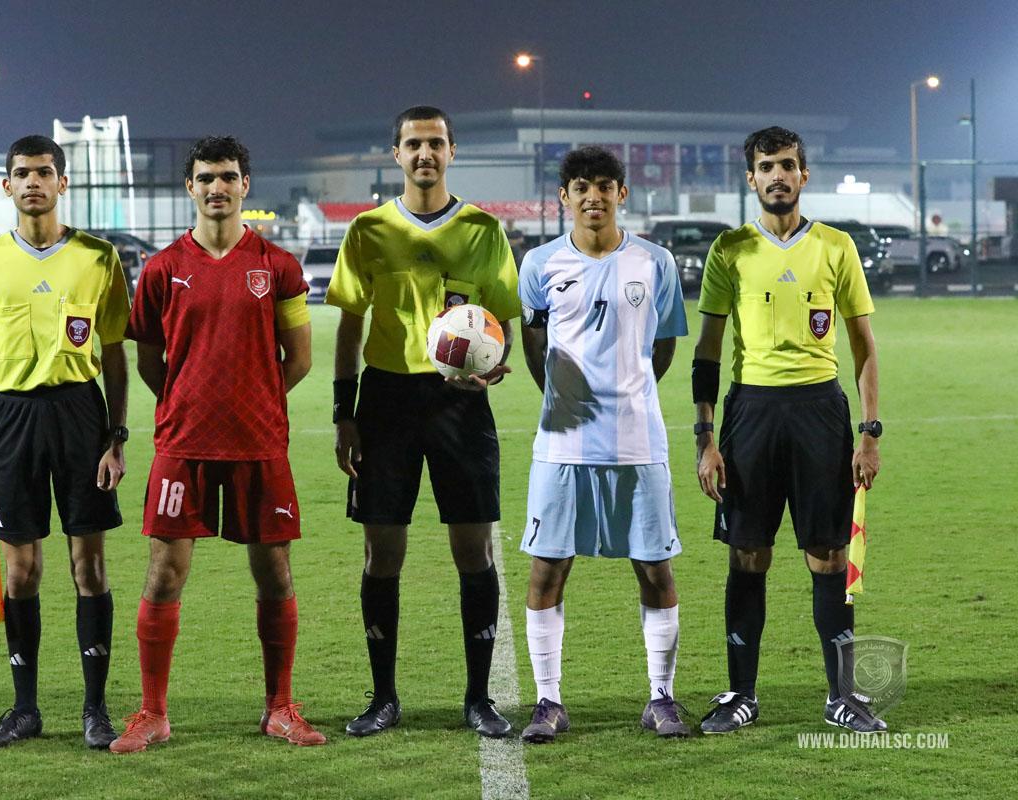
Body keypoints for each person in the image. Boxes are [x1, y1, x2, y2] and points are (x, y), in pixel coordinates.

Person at [110, 136, 326, 753]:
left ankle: (280, 708)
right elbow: (149, 361)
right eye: (205, 178)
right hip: (184, 442)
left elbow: (299, 359)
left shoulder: (277, 266)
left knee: (274, 571)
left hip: (260, 442)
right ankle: (153, 713)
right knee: (164, 572)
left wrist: (253, 396)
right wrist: (190, 400)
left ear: (245, 185)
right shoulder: (161, 269)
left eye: (228, 177)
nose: (217, 188)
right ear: (191, 187)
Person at [327, 105, 522, 738]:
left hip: (460, 403)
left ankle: (479, 698)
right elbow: (350, 324)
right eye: (413, 143)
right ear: (396, 154)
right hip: (385, 402)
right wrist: (344, 411)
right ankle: (383, 698)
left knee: (474, 548)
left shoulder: (483, 230)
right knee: (382, 551)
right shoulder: (368, 230)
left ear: (452, 151)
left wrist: (490, 368)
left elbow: (501, 321)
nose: (425, 154)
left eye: (435, 143)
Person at [692, 126, 884, 734]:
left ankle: (841, 696)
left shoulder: (835, 246)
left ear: (804, 175)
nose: (777, 175)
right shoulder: (729, 250)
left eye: (787, 165)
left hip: (819, 412)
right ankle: (740, 695)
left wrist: (869, 433)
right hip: (750, 413)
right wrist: (705, 439)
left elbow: (864, 347)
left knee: (828, 556)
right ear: (751, 178)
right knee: (748, 554)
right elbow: (707, 351)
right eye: (766, 166)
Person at [0, 134, 131, 749]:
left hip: (81, 415)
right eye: (22, 173)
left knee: (90, 565)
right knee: (22, 569)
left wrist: (116, 436)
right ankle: (24, 708)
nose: (33, 181)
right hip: (13, 420)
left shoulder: (99, 257)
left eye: (45, 171)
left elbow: (115, 352)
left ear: (62, 182)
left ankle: (95, 709)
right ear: (6, 185)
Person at [516, 147, 691, 743]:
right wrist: (563, 400)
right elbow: (534, 340)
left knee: (655, 569)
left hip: (638, 441)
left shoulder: (655, 261)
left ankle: (661, 697)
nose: (593, 196)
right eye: (581, 186)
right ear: (564, 196)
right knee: (547, 570)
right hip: (562, 445)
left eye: (604, 186)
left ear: (622, 193)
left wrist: (629, 392)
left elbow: (663, 346)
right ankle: (548, 701)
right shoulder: (539, 263)